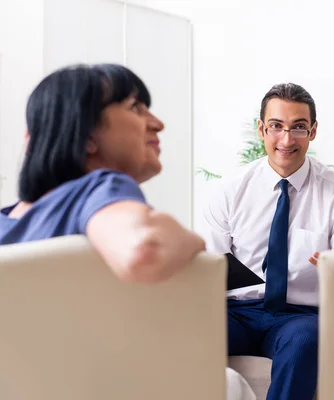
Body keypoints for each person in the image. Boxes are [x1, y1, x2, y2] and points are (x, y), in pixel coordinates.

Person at [0, 63, 256, 400]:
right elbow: (144, 249)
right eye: (135, 107)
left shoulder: (8, 222)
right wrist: (193, 240)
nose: (157, 123)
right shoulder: (100, 188)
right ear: (87, 133)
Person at [198, 82, 334, 400]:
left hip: (299, 316)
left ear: (313, 131)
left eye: (298, 128)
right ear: (261, 129)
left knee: (305, 339)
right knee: (185, 329)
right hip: (237, 311)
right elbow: (207, 269)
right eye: (276, 126)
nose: (286, 140)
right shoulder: (230, 191)